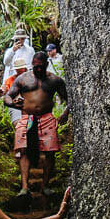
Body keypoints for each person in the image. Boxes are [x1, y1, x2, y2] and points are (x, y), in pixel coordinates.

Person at [5, 51, 70, 203]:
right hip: (27, 118)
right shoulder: (23, 79)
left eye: (40, 66)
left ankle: (45, 186)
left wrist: (65, 113)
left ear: (46, 64)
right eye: (35, 66)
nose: (37, 69)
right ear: (31, 65)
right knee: (23, 150)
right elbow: (8, 96)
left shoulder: (55, 80)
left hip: (47, 119)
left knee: (50, 152)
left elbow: (69, 99)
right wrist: (12, 103)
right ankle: (24, 187)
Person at [0, 29, 32, 122]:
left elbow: (31, 64)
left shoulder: (30, 50)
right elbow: (6, 62)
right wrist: (13, 50)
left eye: (22, 39)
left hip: (25, 78)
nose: (20, 41)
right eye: (18, 39)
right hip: (12, 78)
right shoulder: (10, 50)